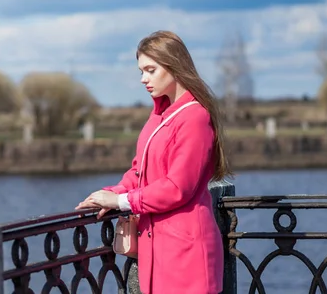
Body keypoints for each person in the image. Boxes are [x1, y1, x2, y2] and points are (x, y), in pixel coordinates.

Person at [76, 30, 232, 294]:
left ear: (174, 66)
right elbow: (139, 171)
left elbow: (177, 188)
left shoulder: (195, 118)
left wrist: (121, 202)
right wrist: (109, 194)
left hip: (187, 253)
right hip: (156, 250)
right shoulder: (158, 115)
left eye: (150, 70)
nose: (143, 79)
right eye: (141, 71)